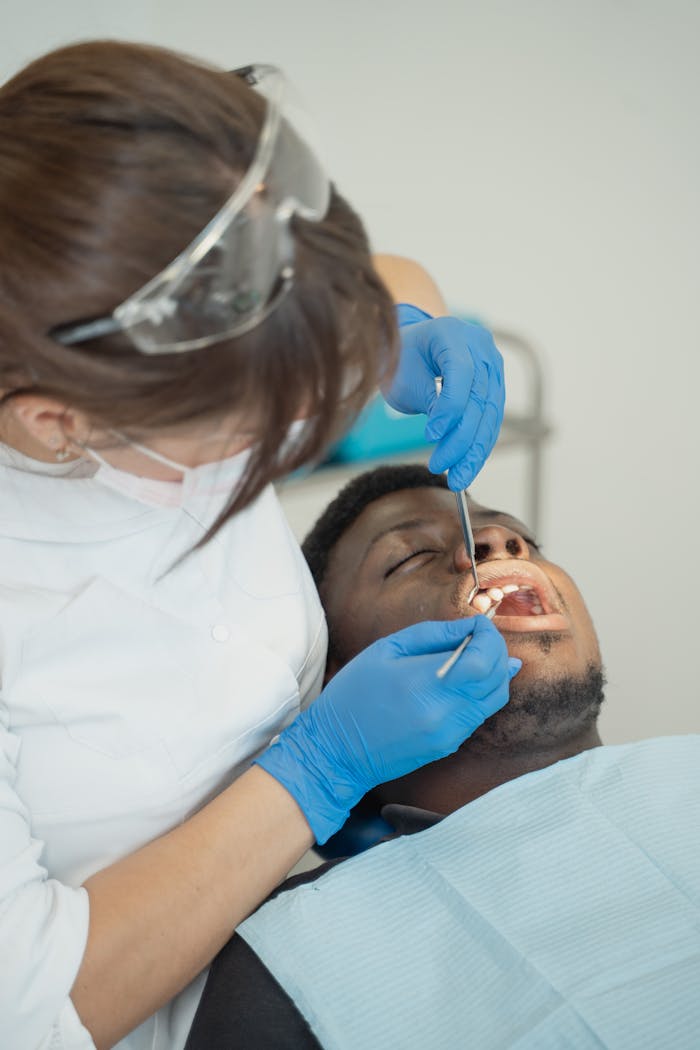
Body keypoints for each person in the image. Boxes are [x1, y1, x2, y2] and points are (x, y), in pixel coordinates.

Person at [0, 42, 518, 1050]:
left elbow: (362, 274)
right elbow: (35, 1008)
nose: (307, 416)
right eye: (262, 423)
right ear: (58, 423)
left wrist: (405, 326)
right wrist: (310, 777)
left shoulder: (144, 343)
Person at [186, 465, 700, 1049]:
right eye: (408, 558)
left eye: (519, 538)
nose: (497, 544)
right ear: (338, 681)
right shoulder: (293, 956)